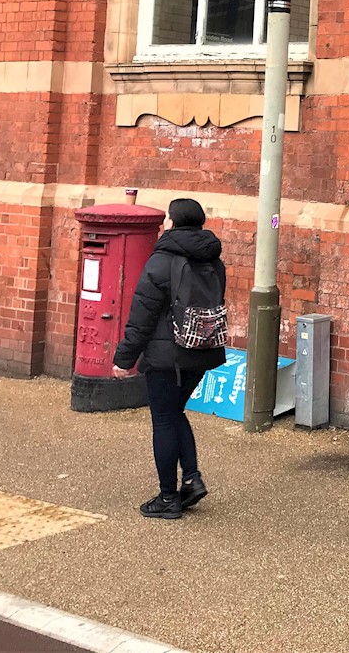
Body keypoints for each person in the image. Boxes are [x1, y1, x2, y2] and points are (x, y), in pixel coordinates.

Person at [112, 198, 227, 519]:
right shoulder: (214, 260)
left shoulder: (161, 261)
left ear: (172, 223)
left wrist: (124, 358)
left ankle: (167, 497)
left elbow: (141, 317)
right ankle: (191, 479)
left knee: (163, 419)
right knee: (176, 412)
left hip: (167, 356)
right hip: (202, 350)